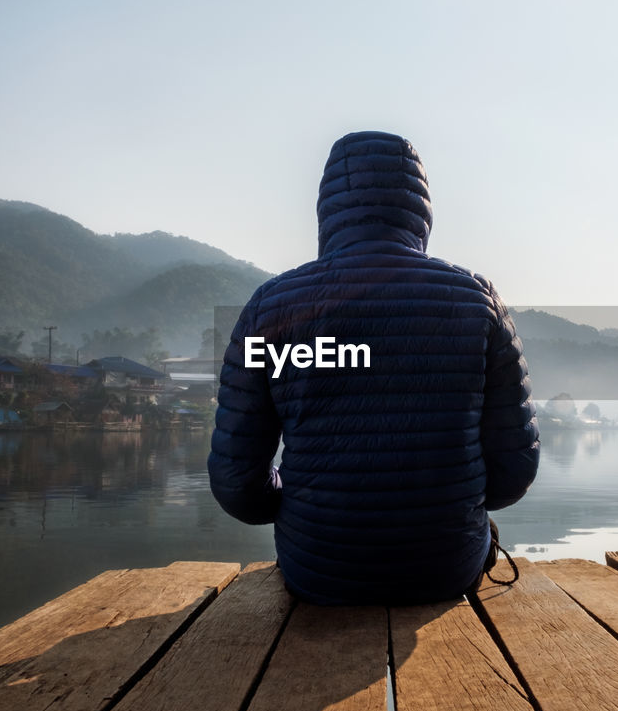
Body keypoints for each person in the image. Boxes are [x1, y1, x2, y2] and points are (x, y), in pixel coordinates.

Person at [208, 130, 538, 605]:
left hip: (315, 570)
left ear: (327, 209)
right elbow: (514, 470)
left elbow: (237, 482)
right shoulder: (476, 300)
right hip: (445, 569)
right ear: (420, 208)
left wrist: (300, 504)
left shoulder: (272, 307)